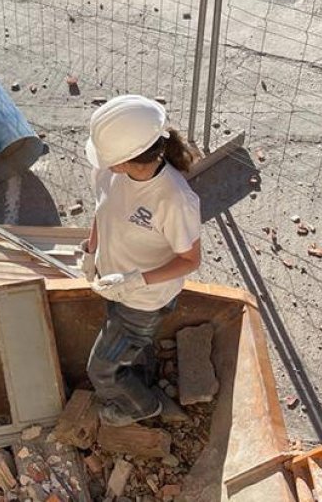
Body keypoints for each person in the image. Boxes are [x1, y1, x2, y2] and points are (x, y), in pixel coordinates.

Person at [81, 95, 202, 427]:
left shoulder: (174, 199)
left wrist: (136, 281)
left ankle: (142, 407)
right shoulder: (108, 174)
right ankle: (141, 375)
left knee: (101, 371)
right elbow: (101, 210)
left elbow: (190, 259)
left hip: (145, 300)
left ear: (127, 159)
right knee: (131, 347)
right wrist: (91, 251)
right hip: (114, 284)